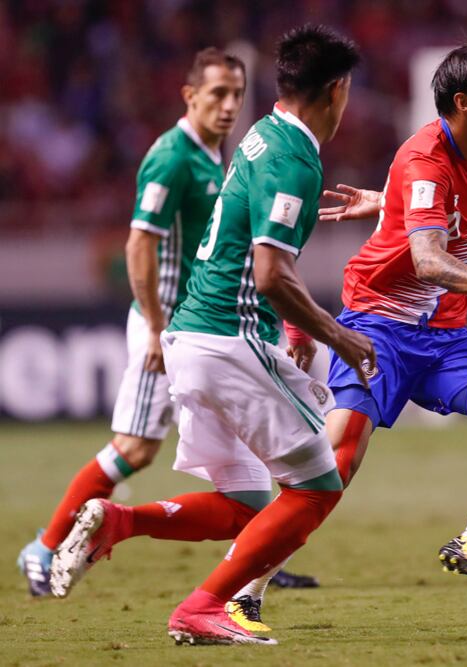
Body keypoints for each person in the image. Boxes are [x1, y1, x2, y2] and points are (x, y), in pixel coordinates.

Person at [49, 25, 375, 646]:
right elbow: (270, 274)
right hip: (229, 342)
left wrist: (294, 323)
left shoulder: (261, 135)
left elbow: (259, 257)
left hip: (192, 340)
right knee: (317, 487)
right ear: (337, 89)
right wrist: (338, 335)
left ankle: (120, 521)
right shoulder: (293, 159)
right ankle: (202, 607)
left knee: (245, 502)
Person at [292, 41, 467, 590]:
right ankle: (243, 587)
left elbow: (435, 202)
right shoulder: (423, 159)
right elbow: (426, 260)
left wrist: (390, 201)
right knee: (337, 464)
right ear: (464, 103)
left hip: (442, 334)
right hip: (377, 324)